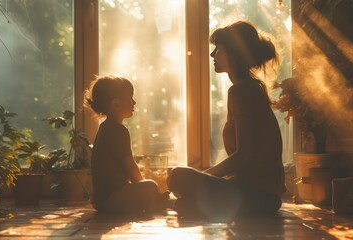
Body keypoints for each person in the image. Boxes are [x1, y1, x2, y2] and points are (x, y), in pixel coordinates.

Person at [167, 20, 286, 220]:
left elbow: (244, 155)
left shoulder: (242, 91)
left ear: (235, 54)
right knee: (183, 203)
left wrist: (203, 177)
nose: (213, 55)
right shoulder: (249, 88)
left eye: (218, 49)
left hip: (259, 195)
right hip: (257, 194)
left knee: (179, 176)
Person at [84, 75, 169, 215]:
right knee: (150, 186)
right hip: (112, 200)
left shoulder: (105, 128)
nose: (134, 102)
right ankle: (152, 203)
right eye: (130, 98)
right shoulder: (118, 131)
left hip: (102, 200)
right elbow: (129, 165)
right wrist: (146, 189)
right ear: (116, 103)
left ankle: (150, 204)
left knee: (147, 187)